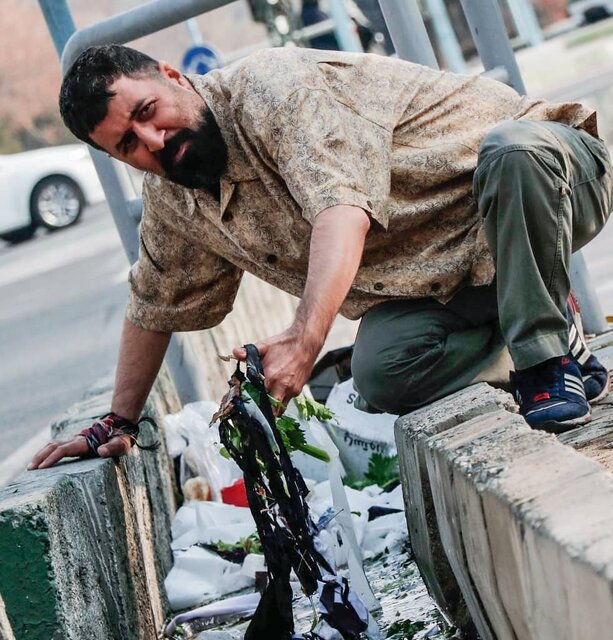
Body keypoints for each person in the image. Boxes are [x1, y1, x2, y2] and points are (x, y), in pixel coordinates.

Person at [29, 44, 612, 470]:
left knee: (511, 152)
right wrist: (119, 421)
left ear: (173, 76)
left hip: (548, 180)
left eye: (146, 111)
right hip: (455, 275)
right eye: (128, 144)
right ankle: (543, 333)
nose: (152, 140)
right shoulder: (174, 196)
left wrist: (304, 342)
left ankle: (545, 357)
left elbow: (341, 210)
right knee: (383, 370)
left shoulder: (273, 87)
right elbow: (153, 303)